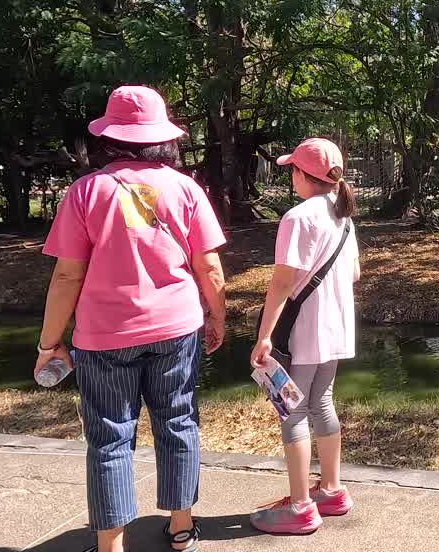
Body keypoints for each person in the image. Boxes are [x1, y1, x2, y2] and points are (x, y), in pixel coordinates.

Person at [35, 86, 228, 552]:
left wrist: (48, 343)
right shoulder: (185, 188)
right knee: (178, 420)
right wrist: (217, 317)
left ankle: (111, 545)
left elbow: (66, 277)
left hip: (103, 335)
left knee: (109, 436)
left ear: (111, 137)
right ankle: (181, 529)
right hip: (177, 327)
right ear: (162, 138)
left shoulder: (86, 192)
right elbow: (210, 267)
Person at [249, 137, 360, 535]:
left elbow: (281, 285)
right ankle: (332, 490)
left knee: (292, 411)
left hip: (301, 330)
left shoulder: (298, 217)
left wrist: (264, 337)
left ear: (302, 174)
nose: (291, 176)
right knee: (321, 403)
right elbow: (354, 274)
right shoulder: (342, 214)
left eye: (292, 169)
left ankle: (300, 507)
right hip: (335, 327)